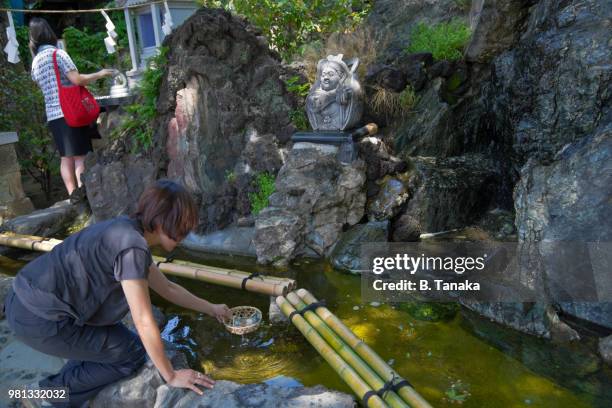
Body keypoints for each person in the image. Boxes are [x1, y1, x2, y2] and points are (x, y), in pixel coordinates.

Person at [4, 179, 231, 407]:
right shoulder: (132, 248)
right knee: (130, 353)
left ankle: (50, 390)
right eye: (182, 225)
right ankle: (46, 397)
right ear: (162, 221)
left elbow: (168, 288)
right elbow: (142, 320)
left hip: (27, 300)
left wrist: (212, 308)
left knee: (118, 342)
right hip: (39, 318)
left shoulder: (127, 230)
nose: (186, 233)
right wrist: (170, 375)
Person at [28, 17, 114, 200]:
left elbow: (41, 85)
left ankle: (73, 198)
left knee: (66, 158)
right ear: (48, 33)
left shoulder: (35, 62)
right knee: (80, 156)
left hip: (52, 115)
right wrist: (99, 74)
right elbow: (77, 80)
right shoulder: (58, 54)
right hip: (70, 112)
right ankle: (85, 195)